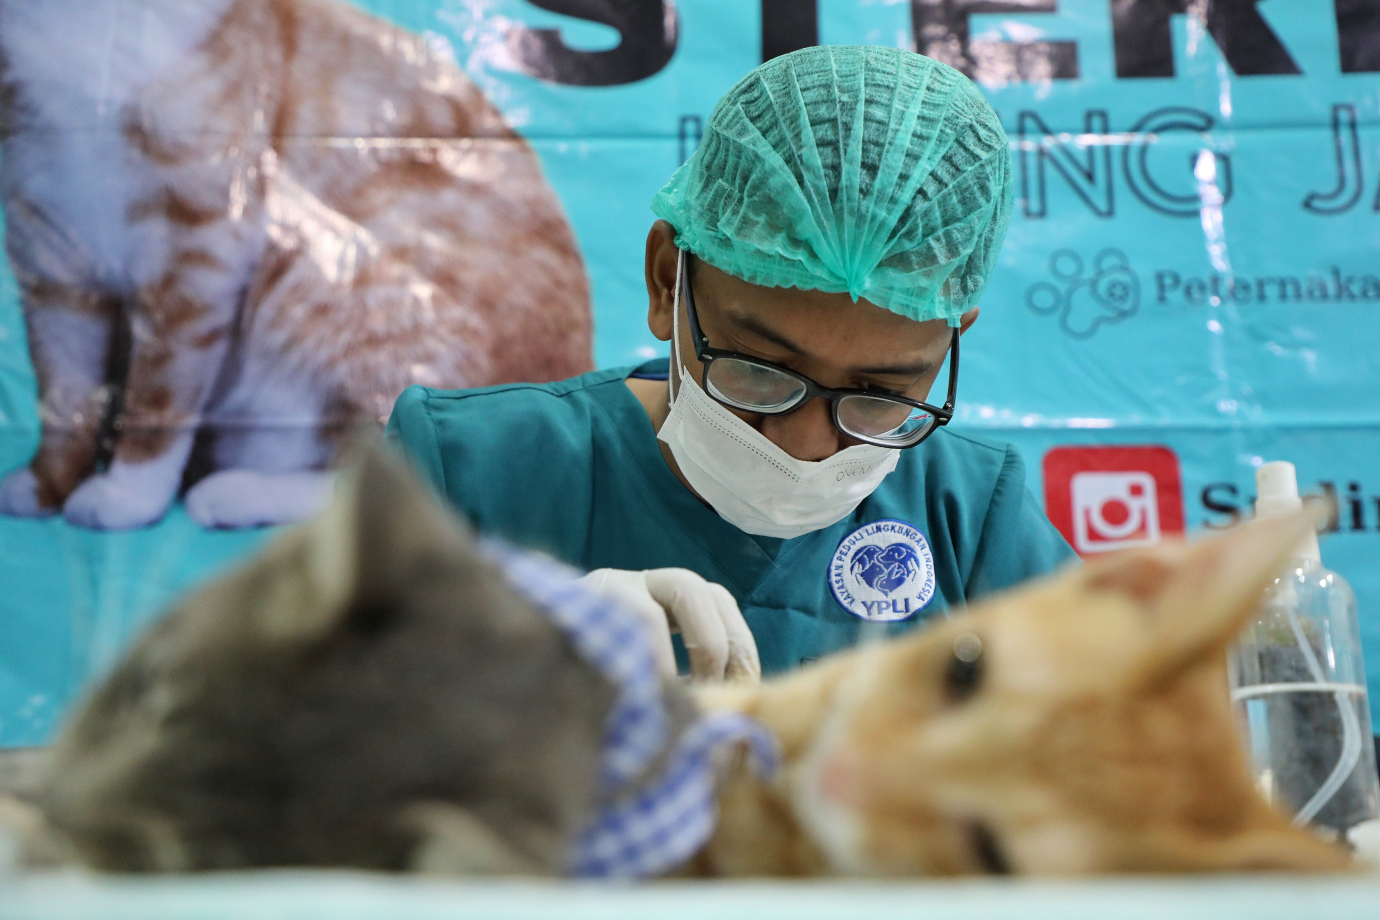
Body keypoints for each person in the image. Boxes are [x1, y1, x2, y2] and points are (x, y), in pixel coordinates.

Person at [386, 45, 1074, 682]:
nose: (805, 446)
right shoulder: (463, 473)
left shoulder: (970, 518)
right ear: (667, 282)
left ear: (951, 340)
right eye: (760, 370)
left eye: (877, 393)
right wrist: (507, 674)